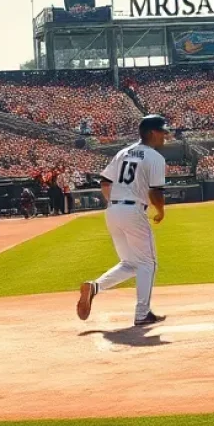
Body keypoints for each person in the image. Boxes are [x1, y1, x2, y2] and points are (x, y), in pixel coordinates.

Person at [76, 114, 170, 327]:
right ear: (152, 133)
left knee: (130, 263)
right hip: (133, 210)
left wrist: (116, 204)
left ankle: (94, 287)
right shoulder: (154, 157)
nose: (165, 136)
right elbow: (156, 191)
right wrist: (161, 211)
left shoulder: (123, 152)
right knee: (148, 263)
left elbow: (105, 181)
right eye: (162, 132)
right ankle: (142, 313)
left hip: (113, 210)